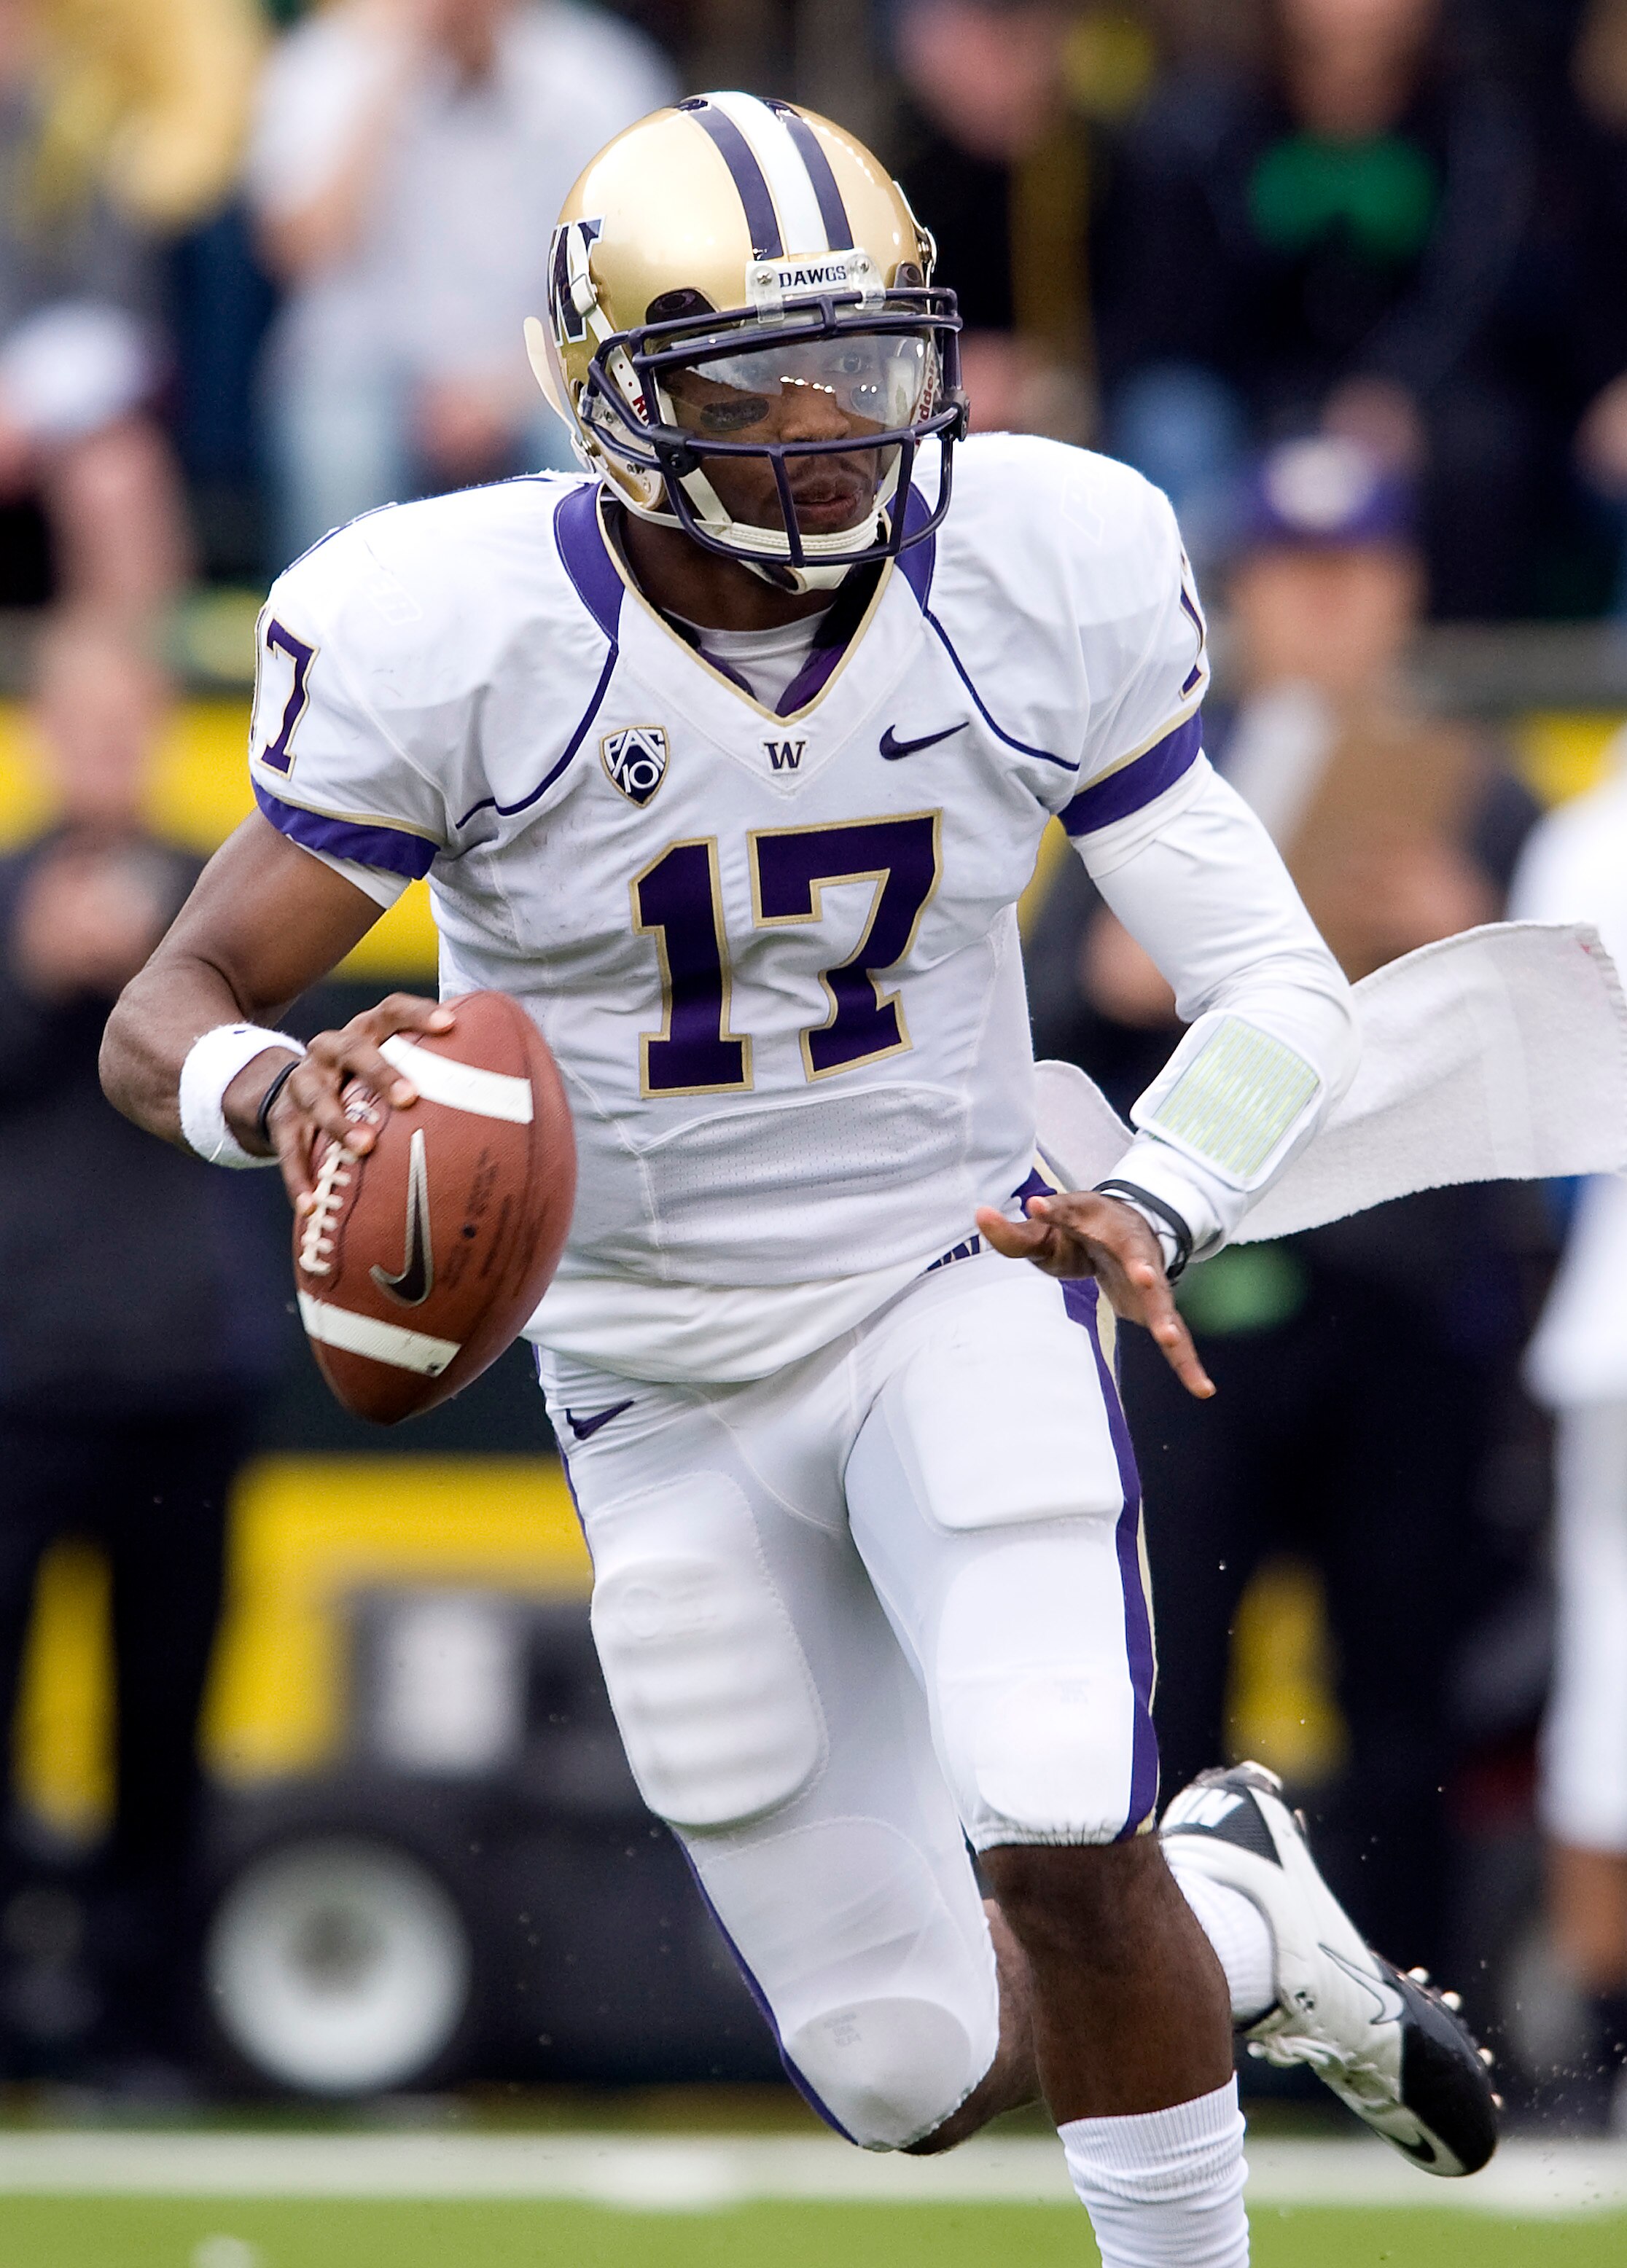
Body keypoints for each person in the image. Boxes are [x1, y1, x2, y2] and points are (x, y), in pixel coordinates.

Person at [102, 96, 1499, 2259]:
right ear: (614, 398)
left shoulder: (1032, 560)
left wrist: (1163, 1193)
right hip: (650, 1368)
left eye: (871, 364)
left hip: (950, 1262)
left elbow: (1280, 989)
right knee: (901, 2060)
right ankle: (1232, 1913)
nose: (837, 428)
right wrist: (278, 1089)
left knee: (1049, 1807)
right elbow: (166, 996)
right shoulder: (454, 629)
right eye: (764, 381)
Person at [1029, 435, 1545, 1976]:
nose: (1324, 609)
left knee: (1403, 1678)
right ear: (1245, 595)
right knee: (1170, 1663)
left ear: (1403, 592)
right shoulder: (1153, 789)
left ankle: (1405, 1995)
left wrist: (1476, 936)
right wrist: (1108, 985)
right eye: (1294, 576)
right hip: (1197, 1283)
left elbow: (1556, 1056)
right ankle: (1167, 2009)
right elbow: (1042, 1008)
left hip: (1400, 1303)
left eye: (1354, 573)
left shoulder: (1483, 789)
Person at [0, 614, 283, 2077]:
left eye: (128, 723)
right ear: (46, 732)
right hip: (20, 1383)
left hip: (187, 1373)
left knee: (162, 1729)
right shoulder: (4, 899)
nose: (103, 750)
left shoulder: (215, 919)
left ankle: (140, 2025)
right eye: (80, 721)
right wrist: (42, 981)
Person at [245, 0, 676, 569]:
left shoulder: (600, 73)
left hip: (547, 373)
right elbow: (299, 251)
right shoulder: (323, 64)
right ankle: (334, 651)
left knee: (597, 448)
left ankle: (604, 649)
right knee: (340, 452)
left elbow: (634, 279)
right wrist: (393, 76)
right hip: (364, 374)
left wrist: (502, 393)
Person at [1509, 740, 1627, 2126]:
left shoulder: (1587, 831)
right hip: (1614, 1319)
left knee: (1609, 1672)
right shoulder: (1593, 832)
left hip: (1608, 1320)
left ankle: (1597, 2060)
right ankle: (1598, 2046)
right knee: (1607, 1672)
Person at [0, 0, 262, 619]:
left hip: (45, 420)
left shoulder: (79, 129)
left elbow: (115, 321)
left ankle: (139, 701)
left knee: (119, 480)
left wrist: (22, 407)